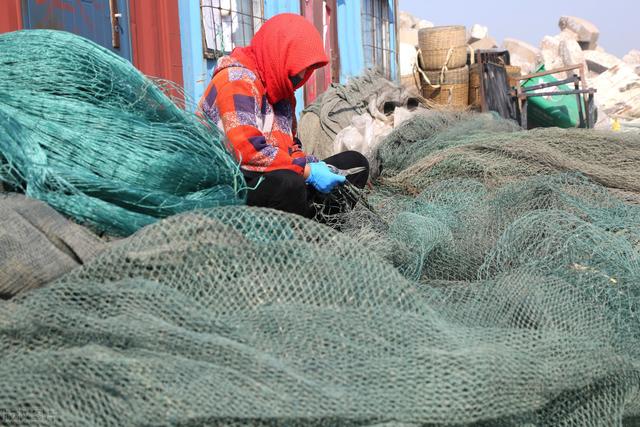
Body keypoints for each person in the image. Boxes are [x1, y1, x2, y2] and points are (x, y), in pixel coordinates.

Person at [199, 13, 369, 220]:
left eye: (306, 70)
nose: (301, 76)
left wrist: (319, 166)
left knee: (355, 164)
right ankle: (291, 240)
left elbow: (291, 149)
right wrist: (307, 172)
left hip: (273, 174)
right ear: (280, 54)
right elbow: (247, 152)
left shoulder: (280, 90)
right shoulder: (236, 79)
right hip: (230, 183)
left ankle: (320, 230)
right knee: (289, 183)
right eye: (299, 68)